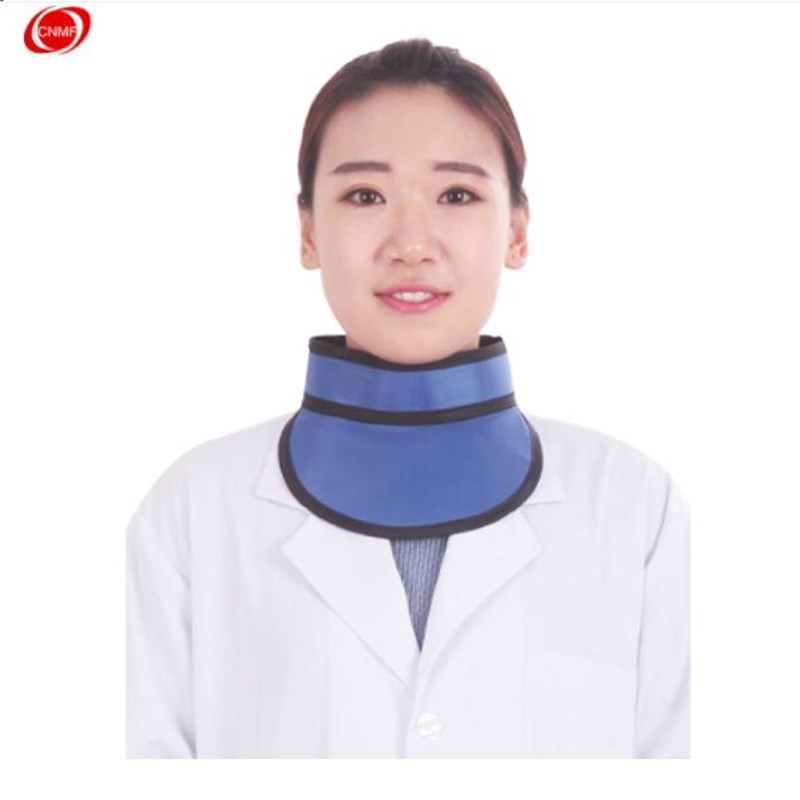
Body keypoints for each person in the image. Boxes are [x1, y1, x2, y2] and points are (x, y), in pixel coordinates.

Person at [126, 37, 690, 758]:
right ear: (308, 232)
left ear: (517, 231)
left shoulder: (636, 508)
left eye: (457, 195)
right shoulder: (192, 511)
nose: (412, 243)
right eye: (365, 195)